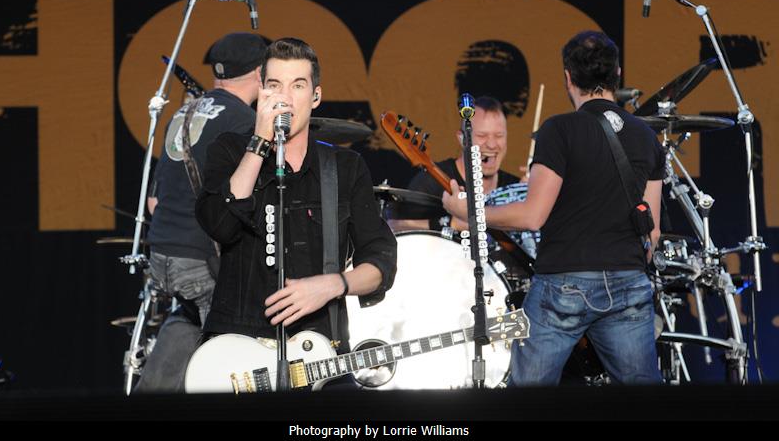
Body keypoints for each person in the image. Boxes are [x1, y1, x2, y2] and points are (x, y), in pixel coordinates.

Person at [443, 30, 664, 385]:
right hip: (628, 280)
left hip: (564, 283)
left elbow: (532, 216)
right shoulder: (646, 137)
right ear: (617, 74)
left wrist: (470, 212)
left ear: (568, 77)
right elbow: (651, 231)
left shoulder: (559, 130)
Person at [194, 37, 397, 376]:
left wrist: (332, 285)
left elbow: (381, 262)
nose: (285, 97)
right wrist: (259, 143)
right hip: (237, 354)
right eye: (275, 85)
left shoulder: (345, 167)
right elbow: (221, 225)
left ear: (315, 96)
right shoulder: (229, 151)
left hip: (321, 352)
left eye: (297, 85)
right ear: (261, 91)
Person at [135, 33, 267, 392]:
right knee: (228, 359)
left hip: (163, 254)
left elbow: (154, 202)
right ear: (260, 73)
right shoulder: (244, 121)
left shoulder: (184, 112)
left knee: (190, 316)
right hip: (199, 259)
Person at [392, 96, 521, 234]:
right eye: (482, 135)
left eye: (499, 135)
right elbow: (394, 226)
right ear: (461, 138)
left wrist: (527, 196)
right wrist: (449, 224)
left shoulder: (516, 188)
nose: (491, 144)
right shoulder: (430, 182)